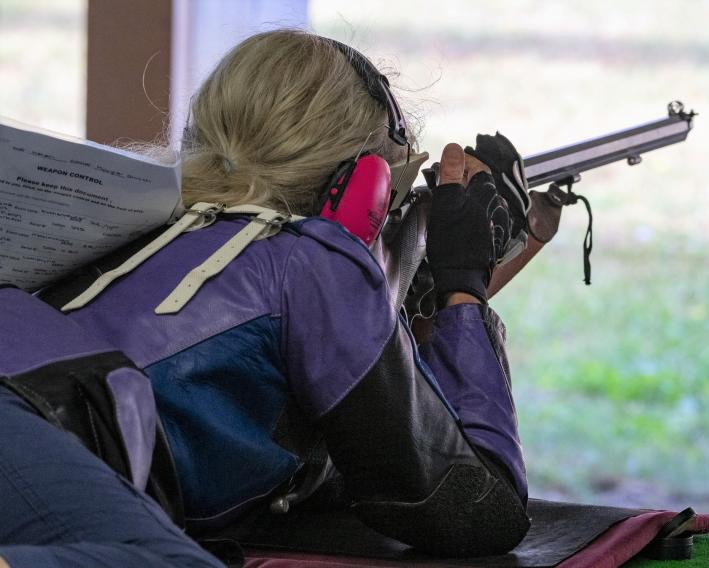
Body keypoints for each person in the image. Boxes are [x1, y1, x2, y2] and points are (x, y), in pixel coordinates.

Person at [1, 29, 534, 565]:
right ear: (364, 192)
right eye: (393, 208)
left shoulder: (132, 227)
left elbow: (350, 449)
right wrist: (463, 283)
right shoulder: (311, 263)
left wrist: (428, 292)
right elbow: (478, 509)